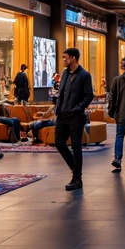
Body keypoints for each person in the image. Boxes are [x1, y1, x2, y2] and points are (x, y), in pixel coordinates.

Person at [54, 47, 94, 191]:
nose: (63, 60)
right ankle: (76, 169)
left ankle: (77, 179)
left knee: (76, 147)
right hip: (62, 115)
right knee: (59, 143)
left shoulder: (84, 75)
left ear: (73, 58)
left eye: (65, 57)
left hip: (76, 117)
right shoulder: (64, 74)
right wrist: (57, 108)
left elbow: (89, 95)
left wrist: (78, 108)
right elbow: (62, 93)